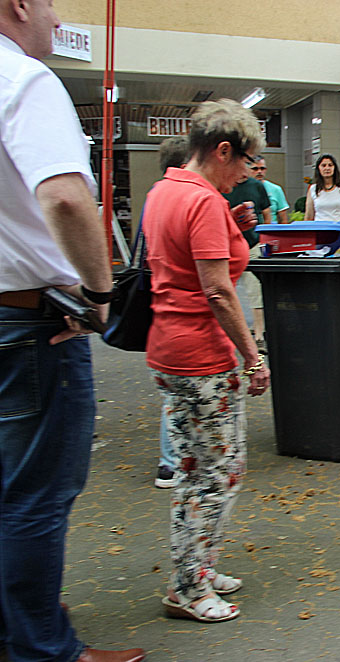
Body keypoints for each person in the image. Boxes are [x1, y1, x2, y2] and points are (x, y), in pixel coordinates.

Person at [0, 1, 147, 662]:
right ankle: (45, 651)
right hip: (33, 322)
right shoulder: (23, 81)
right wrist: (97, 295)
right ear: (19, 5)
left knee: (8, 486)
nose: (58, 21)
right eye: (52, 4)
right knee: (38, 492)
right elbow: (64, 196)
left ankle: (15, 628)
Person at [143, 99, 271, 623]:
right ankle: (188, 586)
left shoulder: (165, 191)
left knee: (197, 468)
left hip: (169, 348)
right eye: (244, 161)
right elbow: (218, 291)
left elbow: (179, 260)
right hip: (202, 357)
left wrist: (230, 222)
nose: (246, 172)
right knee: (216, 475)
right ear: (222, 150)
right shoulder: (202, 202)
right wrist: (253, 357)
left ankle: (198, 566)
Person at [152, 137, 190, 490]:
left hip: (161, 320)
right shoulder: (191, 199)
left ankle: (170, 462)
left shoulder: (155, 197)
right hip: (188, 323)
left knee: (172, 395)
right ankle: (175, 462)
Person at [222, 167, 270, 353]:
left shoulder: (257, 186)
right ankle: (228, 335)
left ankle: (259, 335)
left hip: (252, 245)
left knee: (255, 292)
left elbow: (266, 213)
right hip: (226, 248)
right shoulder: (224, 185)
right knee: (225, 292)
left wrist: (265, 238)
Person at [304, 154, 340, 222]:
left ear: (334, 168)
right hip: (320, 230)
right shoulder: (313, 189)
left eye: (330, 165)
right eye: (323, 165)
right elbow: (309, 216)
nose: (327, 168)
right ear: (318, 168)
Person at [252, 156, 290, 224]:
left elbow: (283, 219)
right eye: (255, 169)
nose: (259, 171)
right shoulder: (243, 188)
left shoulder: (276, 189)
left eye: (262, 168)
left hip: (270, 228)